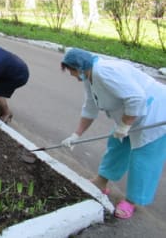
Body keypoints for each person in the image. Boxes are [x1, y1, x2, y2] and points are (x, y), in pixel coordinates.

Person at [60, 48, 166, 219]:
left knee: (143, 159)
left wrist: (124, 126)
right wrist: (76, 135)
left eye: (71, 71)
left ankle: (132, 201)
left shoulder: (104, 72)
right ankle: (101, 182)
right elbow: (90, 106)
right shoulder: (89, 76)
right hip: (131, 116)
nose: (72, 75)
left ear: (78, 68)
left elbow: (136, 98)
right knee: (116, 145)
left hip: (155, 115)